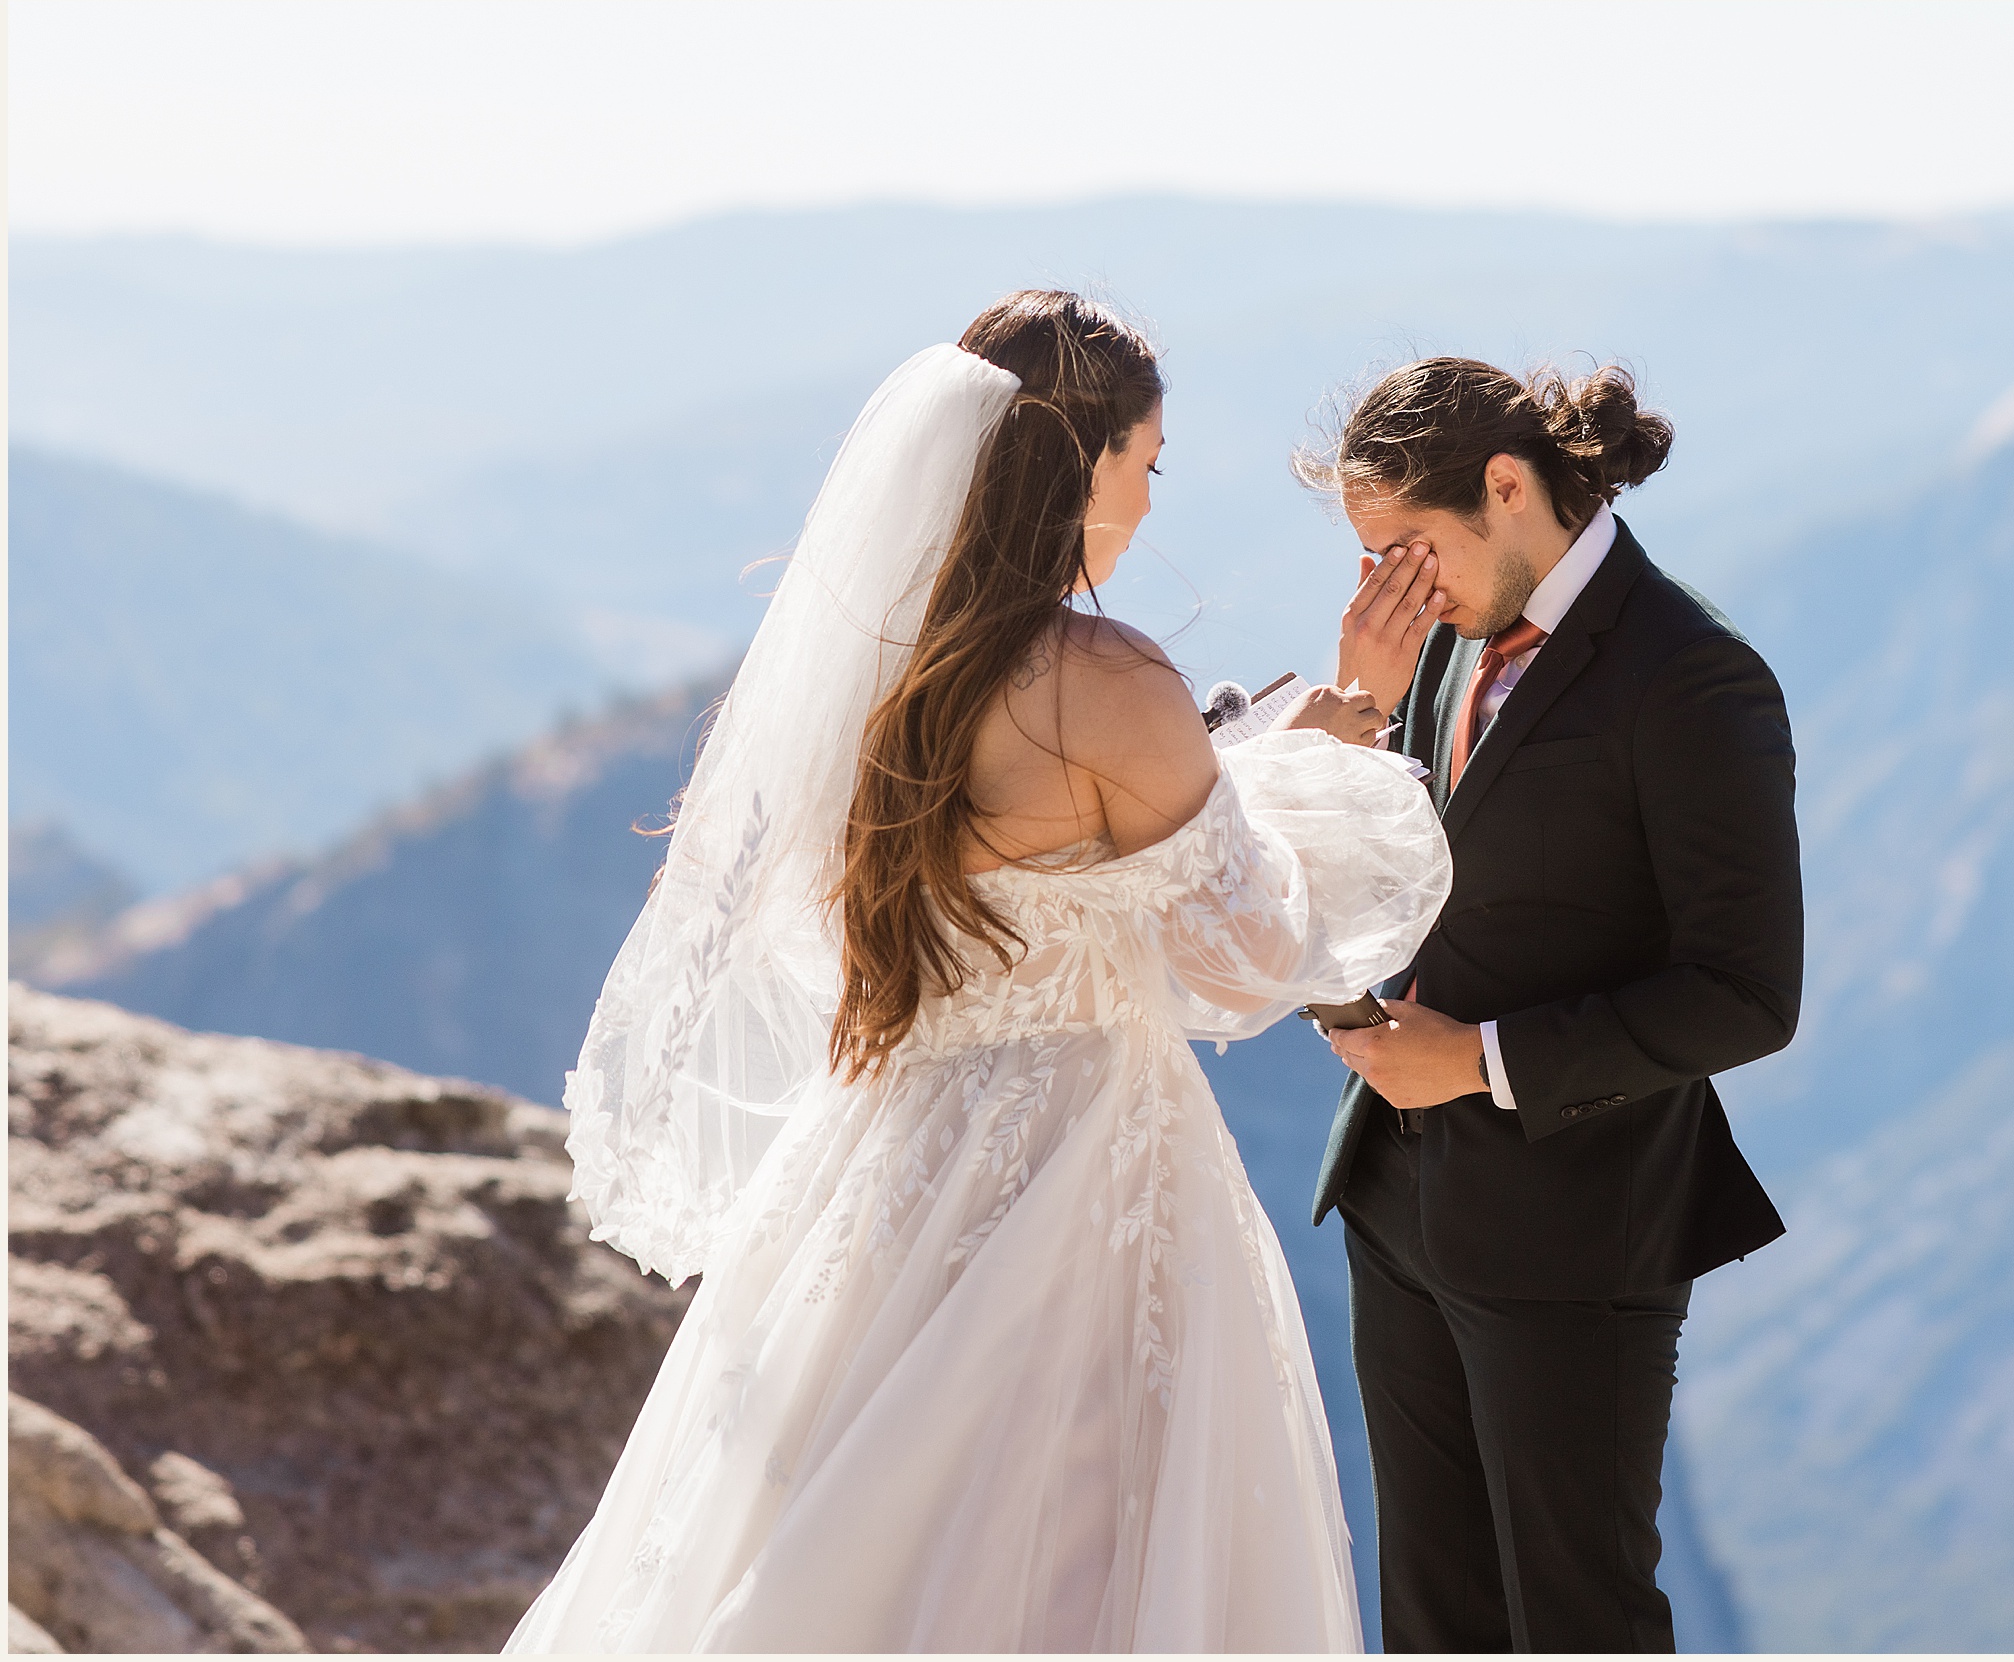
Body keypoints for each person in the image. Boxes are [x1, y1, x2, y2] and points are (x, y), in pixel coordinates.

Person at [506, 292, 1452, 1653]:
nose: (1148, 497)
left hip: (892, 1150)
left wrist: (1233, 766)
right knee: (1072, 1550)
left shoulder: (894, 672)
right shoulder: (1111, 678)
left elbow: (1044, 862)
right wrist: (1339, 745)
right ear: (1084, 464)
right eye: (1148, 460)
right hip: (1082, 1161)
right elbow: (1242, 958)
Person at [1302, 357, 1803, 1653]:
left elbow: (1746, 994)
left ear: (1508, 488)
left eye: (1407, 548)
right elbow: (1394, 877)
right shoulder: (1441, 643)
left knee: (1579, 1620)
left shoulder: (1695, 679)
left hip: (1576, 1231)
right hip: (1394, 1210)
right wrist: (1353, 714)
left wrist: (1477, 1059)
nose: (1389, 589)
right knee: (1431, 1620)